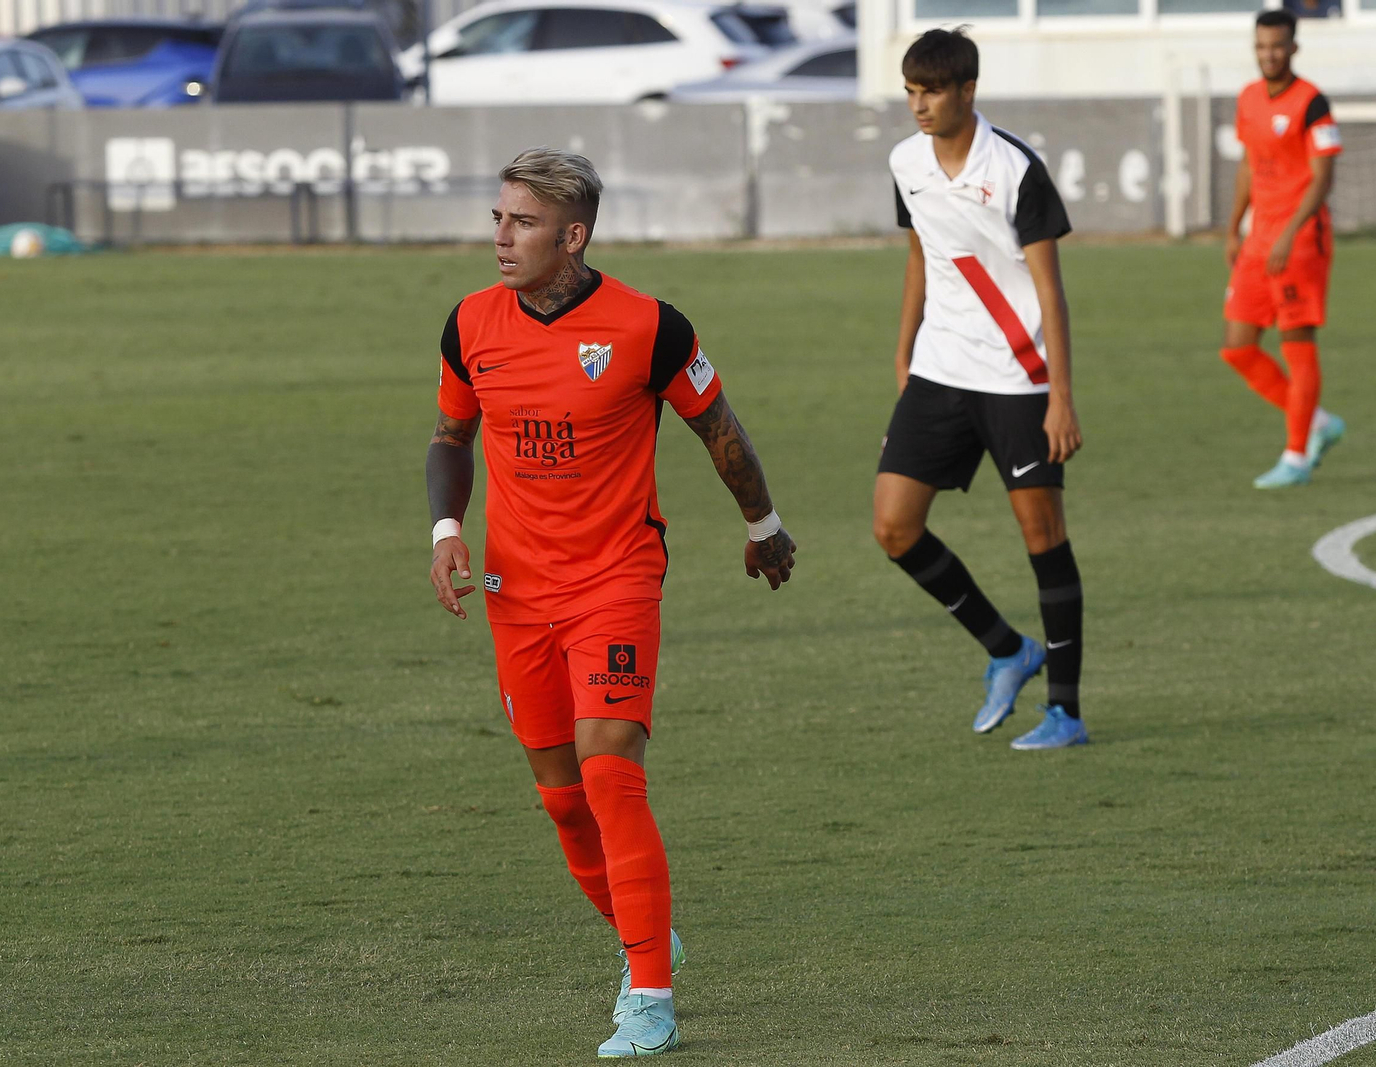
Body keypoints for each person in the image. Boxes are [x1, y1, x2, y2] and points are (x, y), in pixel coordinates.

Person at [426, 148, 797, 1058]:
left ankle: (651, 997)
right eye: (499, 219)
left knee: (608, 771)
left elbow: (718, 427)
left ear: (574, 235)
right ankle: (643, 935)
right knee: (560, 797)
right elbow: (451, 432)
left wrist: (765, 523)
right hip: (518, 590)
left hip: (616, 580)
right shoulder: (470, 323)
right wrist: (446, 530)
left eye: (521, 222)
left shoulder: (648, 327)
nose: (501, 237)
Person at [872, 27, 1088, 751]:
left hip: (1020, 377)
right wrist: (903, 350)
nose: (919, 105)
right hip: (940, 368)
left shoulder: (1017, 169)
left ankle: (1066, 710)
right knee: (894, 527)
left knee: (1041, 534)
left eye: (932, 90)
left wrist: (1060, 395)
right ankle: (1006, 648)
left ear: (968, 90)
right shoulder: (905, 161)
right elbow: (919, 255)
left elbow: (1051, 292)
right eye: (910, 91)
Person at [1221, 9, 1346, 489]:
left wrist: (1291, 233)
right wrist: (1234, 227)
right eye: (1261, 46)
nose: (1268, 54)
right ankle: (1316, 421)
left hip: (1300, 241)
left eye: (1277, 46)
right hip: (1258, 240)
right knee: (1238, 347)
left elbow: (1323, 177)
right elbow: (1249, 167)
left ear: (1293, 47)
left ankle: (1296, 455)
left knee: (1297, 346)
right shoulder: (1249, 99)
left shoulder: (1312, 103)